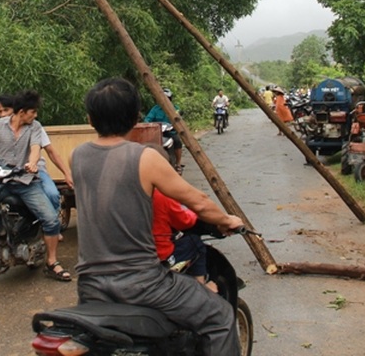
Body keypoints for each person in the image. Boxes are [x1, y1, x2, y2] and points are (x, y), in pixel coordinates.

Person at [71, 77, 244, 356]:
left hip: (90, 286)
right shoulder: (145, 158)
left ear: (90, 119)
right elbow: (197, 202)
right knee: (221, 316)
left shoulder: (77, 156)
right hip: (142, 284)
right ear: (135, 118)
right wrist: (227, 221)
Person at [0, 90, 71, 282]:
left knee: (51, 220)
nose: (35, 115)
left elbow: (36, 149)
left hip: (27, 182)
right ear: (21, 112)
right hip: (1, 182)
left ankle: (51, 262)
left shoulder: (35, 127)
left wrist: (32, 163)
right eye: (32, 112)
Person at [147, 145, 217, 293]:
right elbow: (186, 220)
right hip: (159, 255)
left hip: (126, 256)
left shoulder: (121, 192)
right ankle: (201, 288)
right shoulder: (162, 195)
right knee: (195, 242)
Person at [0, 94, 73, 213]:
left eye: (6, 110)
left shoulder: (34, 127)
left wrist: (67, 173)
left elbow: (51, 152)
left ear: (17, 111)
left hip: (36, 172)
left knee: (52, 195)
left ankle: (52, 224)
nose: (3, 115)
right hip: (8, 173)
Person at [143, 88, 183, 169]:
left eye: (167, 99)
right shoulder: (155, 109)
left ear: (170, 99)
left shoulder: (175, 108)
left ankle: (178, 163)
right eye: (163, 99)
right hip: (157, 132)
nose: (165, 101)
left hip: (171, 132)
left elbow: (178, 118)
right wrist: (147, 123)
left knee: (177, 141)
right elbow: (148, 119)